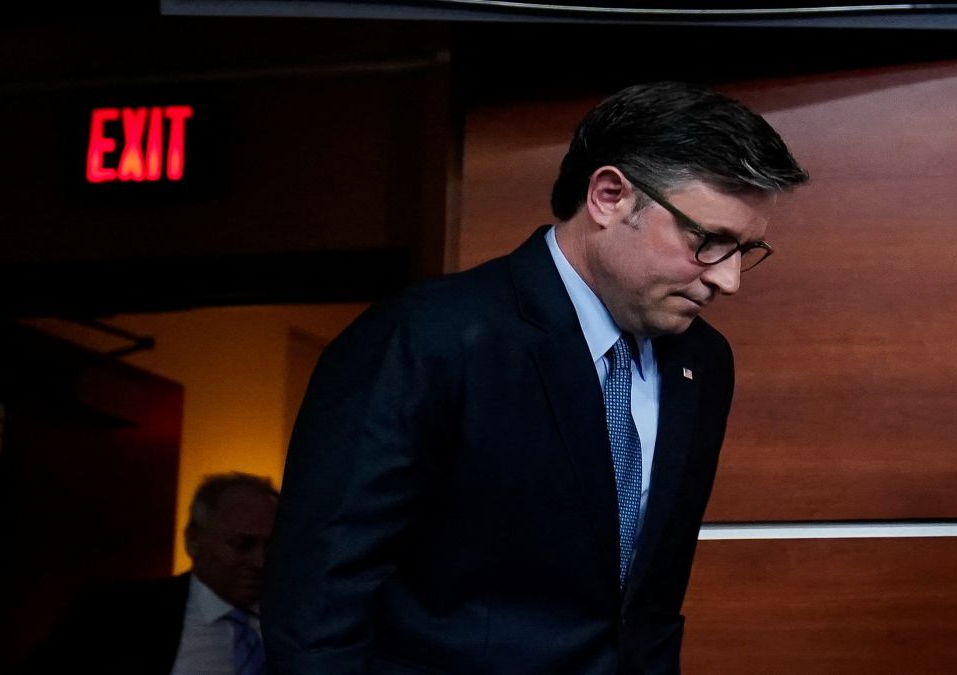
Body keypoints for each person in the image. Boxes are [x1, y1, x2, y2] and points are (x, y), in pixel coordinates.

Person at [263, 82, 808, 675]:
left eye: (745, 250)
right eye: (708, 241)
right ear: (608, 196)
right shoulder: (425, 337)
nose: (728, 280)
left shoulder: (703, 362)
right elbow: (317, 607)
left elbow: (646, 604)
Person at [25, 472, 278, 675]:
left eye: (273, 546)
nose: (260, 561)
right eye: (242, 545)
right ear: (193, 540)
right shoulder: (115, 612)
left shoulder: (300, 618)